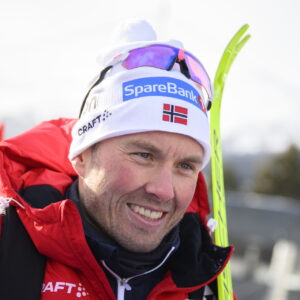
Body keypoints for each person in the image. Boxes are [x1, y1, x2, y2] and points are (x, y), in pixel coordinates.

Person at [0, 20, 234, 300]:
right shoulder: (9, 241)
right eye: (144, 155)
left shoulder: (203, 281)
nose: (163, 190)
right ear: (83, 155)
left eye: (185, 166)